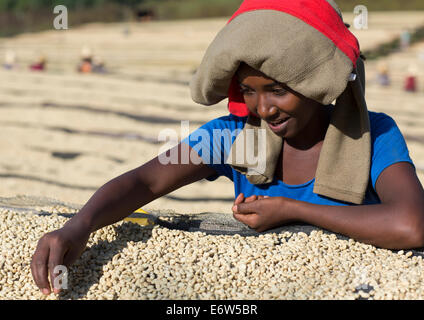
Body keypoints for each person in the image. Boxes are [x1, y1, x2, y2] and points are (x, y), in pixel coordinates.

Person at [31, 0, 424, 296]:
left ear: (316, 83)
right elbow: (146, 181)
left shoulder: (373, 135)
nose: (264, 108)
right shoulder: (235, 136)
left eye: (278, 90)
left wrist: (292, 211)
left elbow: (411, 225)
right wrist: (78, 226)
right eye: (249, 92)